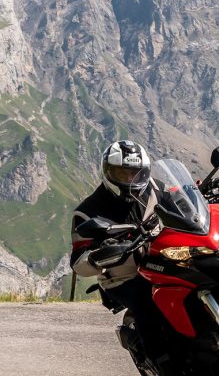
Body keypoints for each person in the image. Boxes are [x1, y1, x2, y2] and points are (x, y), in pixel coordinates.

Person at [69, 140, 173, 371]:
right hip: (123, 276)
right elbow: (78, 262)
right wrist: (98, 257)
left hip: (163, 262)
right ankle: (164, 364)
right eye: (122, 173)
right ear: (108, 172)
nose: (129, 179)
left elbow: (181, 204)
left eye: (135, 173)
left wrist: (200, 193)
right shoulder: (87, 212)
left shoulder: (156, 188)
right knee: (148, 302)